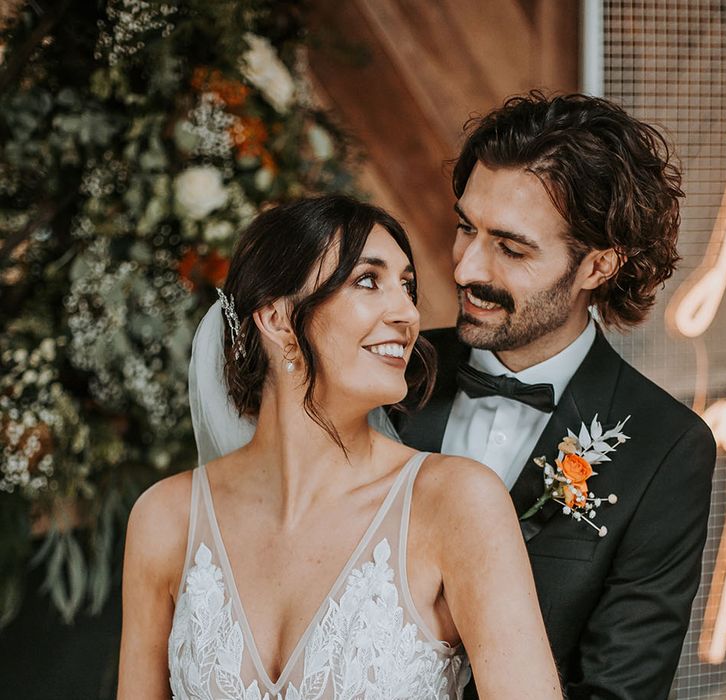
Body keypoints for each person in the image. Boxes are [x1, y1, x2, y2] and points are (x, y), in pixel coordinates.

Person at [117, 195, 562, 699]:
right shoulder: (165, 519)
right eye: (368, 280)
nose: (407, 313)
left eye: (408, 287)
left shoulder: (456, 503)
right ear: (279, 319)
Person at [391, 93, 717, 699]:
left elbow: (618, 690)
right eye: (466, 227)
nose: (465, 268)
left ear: (597, 265)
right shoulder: (386, 374)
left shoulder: (666, 449)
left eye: (511, 249)